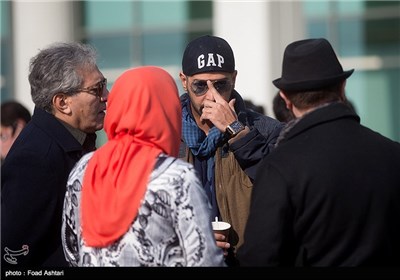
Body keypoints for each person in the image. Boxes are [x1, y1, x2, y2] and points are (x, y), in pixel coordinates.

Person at [237, 38, 400, 266]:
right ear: (343, 88)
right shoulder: (392, 153)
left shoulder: (280, 166)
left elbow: (260, 256)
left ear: (285, 98)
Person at [61, 66, 226, 267]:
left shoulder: (85, 168)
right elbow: (206, 260)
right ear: (166, 111)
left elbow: (72, 250)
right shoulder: (176, 176)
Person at [178, 35, 284, 264]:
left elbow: (283, 192)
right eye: (200, 85)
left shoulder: (267, 131)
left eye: (220, 84)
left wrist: (237, 131)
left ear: (234, 79)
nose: (211, 95)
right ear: (183, 81)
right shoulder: (165, 134)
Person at [1, 42, 108, 267]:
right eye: (96, 89)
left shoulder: (76, 139)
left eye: (104, 85)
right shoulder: (35, 160)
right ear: (62, 103)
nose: (106, 96)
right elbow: (12, 258)